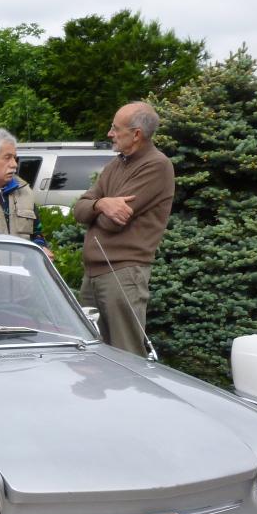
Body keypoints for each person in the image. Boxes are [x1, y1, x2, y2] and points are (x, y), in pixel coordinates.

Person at [72, 101, 174, 357]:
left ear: (136, 134)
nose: (110, 134)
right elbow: (79, 210)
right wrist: (102, 203)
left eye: (116, 128)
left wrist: (96, 209)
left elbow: (112, 223)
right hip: (93, 275)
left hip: (124, 275)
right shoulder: (116, 165)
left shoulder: (156, 166)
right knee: (90, 355)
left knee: (126, 356)